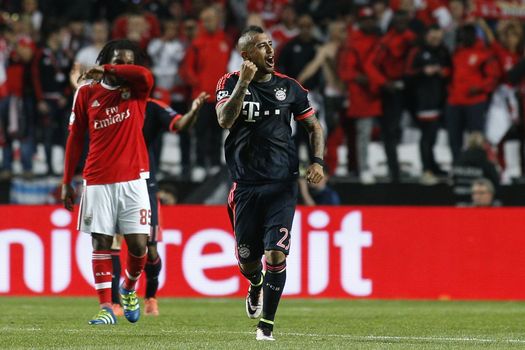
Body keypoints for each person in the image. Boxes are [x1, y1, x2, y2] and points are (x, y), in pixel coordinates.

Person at [216, 26, 325, 341]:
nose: (269, 50)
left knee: (276, 254)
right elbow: (224, 119)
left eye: (270, 44)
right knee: (249, 260)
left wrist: (317, 162)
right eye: (261, 46)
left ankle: (266, 327)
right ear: (247, 55)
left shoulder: (289, 88)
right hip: (246, 185)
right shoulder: (230, 83)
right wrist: (245, 84)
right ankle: (255, 285)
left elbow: (314, 128)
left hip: (282, 185)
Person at [61, 39, 154, 325]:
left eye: (128, 60)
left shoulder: (137, 89)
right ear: (106, 58)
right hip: (97, 177)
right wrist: (67, 181)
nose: (124, 65)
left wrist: (106, 68)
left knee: (139, 246)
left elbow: (145, 75)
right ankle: (105, 307)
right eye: (117, 59)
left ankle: (128, 287)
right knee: (100, 241)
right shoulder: (86, 93)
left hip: (134, 178)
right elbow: (75, 139)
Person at [109, 94, 208, 316]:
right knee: (114, 242)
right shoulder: (110, 105)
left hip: (145, 185)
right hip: (115, 183)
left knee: (149, 248)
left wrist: (192, 113)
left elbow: (178, 124)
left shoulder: (152, 107)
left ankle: (150, 297)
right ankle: (115, 303)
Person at [406, 24, 451, 185]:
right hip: (422, 100)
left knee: (432, 136)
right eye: (433, 37)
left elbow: (451, 70)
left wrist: (442, 72)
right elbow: (408, 73)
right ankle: (426, 170)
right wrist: (423, 72)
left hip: (440, 99)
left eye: (438, 37)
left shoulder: (443, 51)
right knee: (427, 136)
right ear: (426, 35)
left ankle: (432, 166)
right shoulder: (417, 52)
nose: (436, 40)